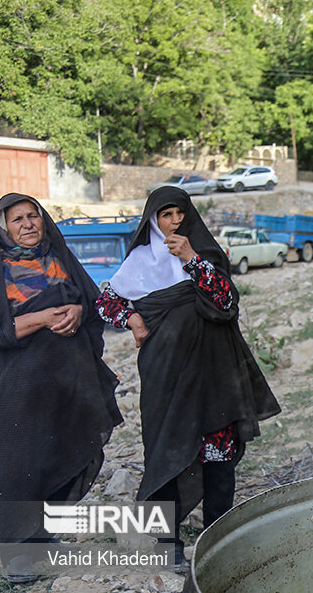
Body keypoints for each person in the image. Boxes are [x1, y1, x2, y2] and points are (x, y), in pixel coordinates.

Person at [97, 187, 279, 571]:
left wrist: (192, 259)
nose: (175, 221)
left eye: (180, 212)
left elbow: (227, 304)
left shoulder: (206, 255)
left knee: (219, 456)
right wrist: (131, 319)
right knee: (167, 451)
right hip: (166, 377)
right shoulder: (139, 262)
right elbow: (105, 301)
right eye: (165, 215)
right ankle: (168, 544)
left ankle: (217, 536)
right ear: (152, 220)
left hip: (215, 373)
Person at [0, 194, 122, 582]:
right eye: (17, 219)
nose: (28, 224)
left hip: (65, 378)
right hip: (15, 384)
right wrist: (42, 317)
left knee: (60, 449)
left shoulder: (60, 257)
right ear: (3, 228)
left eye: (33, 215)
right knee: (19, 462)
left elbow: (90, 300)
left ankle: (43, 538)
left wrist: (79, 311)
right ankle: (17, 556)